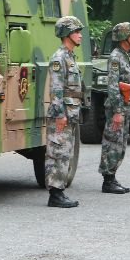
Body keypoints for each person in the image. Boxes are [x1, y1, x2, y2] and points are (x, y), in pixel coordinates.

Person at [46, 15, 85, 208]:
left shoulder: (70, 57)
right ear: (66, 34)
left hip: (70, 113)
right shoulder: (59, 58)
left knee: (65, 152)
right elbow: (56, 89)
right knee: (58, 152)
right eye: (76, 32)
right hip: (61, 114)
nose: (80, 35)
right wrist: (60, 114)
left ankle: (59, 191)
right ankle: (55, 194)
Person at [101, 21, 130, 193]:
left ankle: (112, 177)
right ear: (124, 37)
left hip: (124, 106)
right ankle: (108, 180)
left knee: (120, 143)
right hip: (118, 107)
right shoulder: (116, 57)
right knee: (113, 142)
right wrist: (117, 111)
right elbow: (113, 86)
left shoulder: (124, 55)